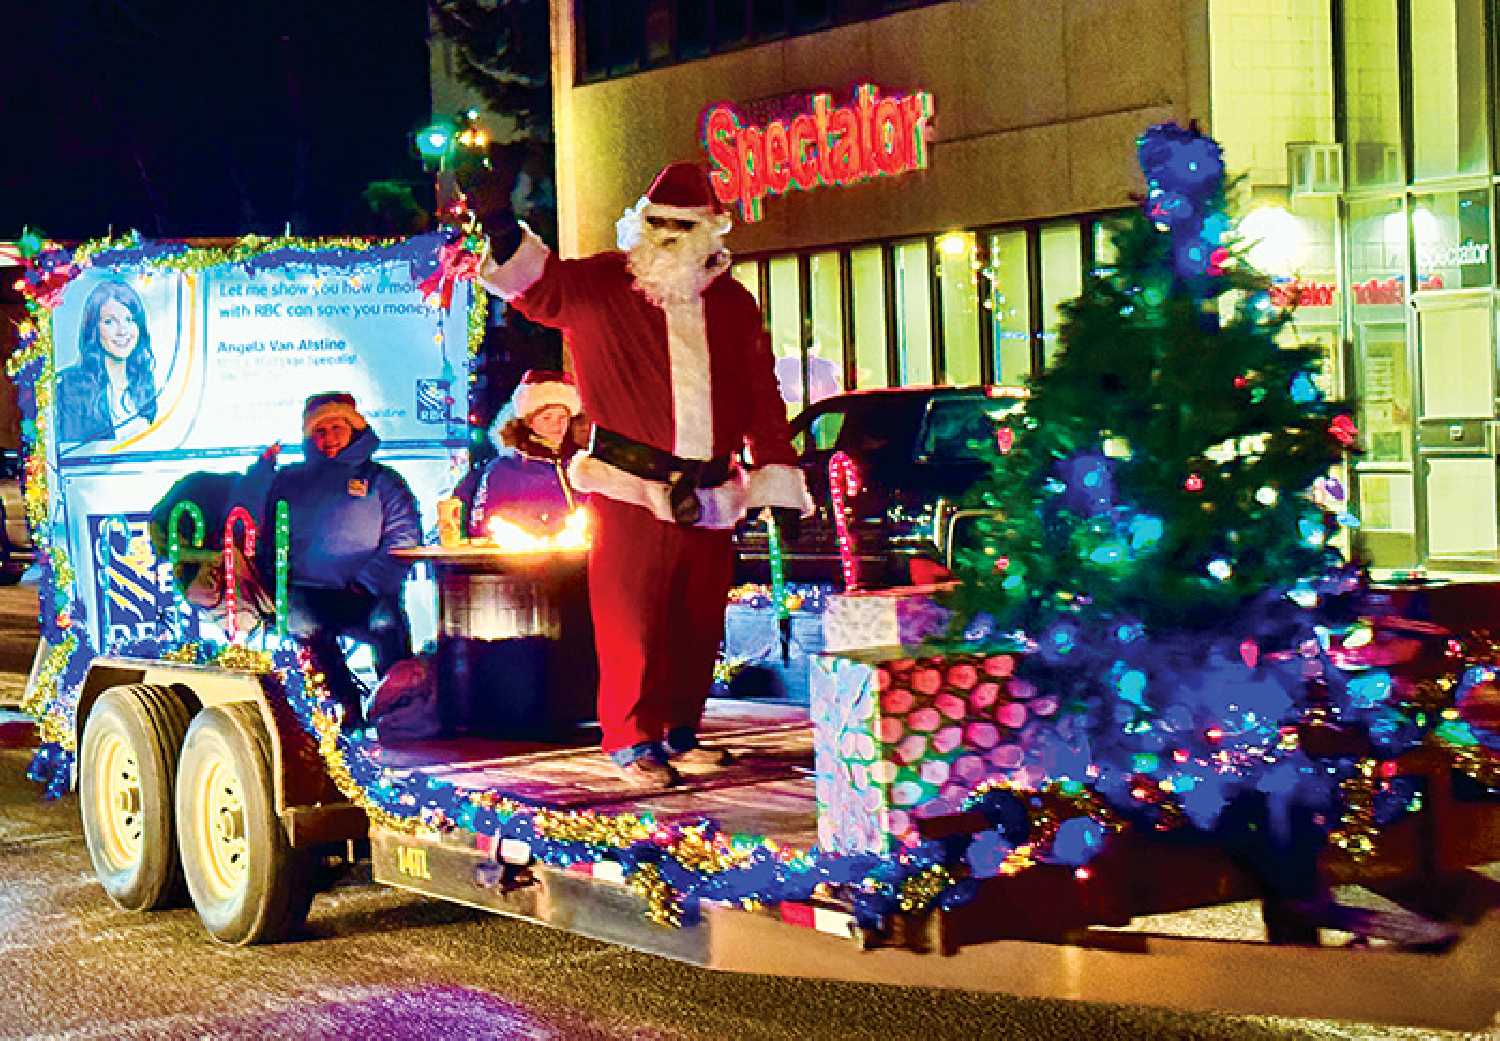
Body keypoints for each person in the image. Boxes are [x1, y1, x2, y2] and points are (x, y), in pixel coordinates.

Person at [469, 157, 812, 789]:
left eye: (684, 227)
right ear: (640, 225)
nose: (670, 239)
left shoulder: (732, 304)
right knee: (631, 620)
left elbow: (761, 391)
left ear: (712, 231)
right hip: (630, 486)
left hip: (710, 490)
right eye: (659, 225)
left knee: (697, 619)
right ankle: (631, 739)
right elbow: (536, 287)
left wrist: (776, 474)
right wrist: (499, 223)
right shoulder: (602, 282)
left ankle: (680, 730)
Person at [262, 392, 422, 727]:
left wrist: (368, 583)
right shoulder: (289, 482)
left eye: (337, 427)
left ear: (354, 429)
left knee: (386, 622)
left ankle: (397, 708)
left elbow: (403, 539)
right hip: (307, 591)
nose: (329, 437)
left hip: (365, 592)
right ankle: (343, 710)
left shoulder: (382, 481)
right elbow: (268, 536)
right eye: (320, 431)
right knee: (303, 622)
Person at [470, 370, 586, 539]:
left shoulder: (579, 465)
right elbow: (483, 525)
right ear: (529, 422)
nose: (557, 424)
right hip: (524, 561)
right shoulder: (505, 470)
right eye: (547, 418)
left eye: (563, 417)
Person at [58, 280, 159, 444]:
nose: (122, 331)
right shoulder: (70, 385)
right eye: (110, 322)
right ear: (94, 329)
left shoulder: (143, 380)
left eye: (129, 319)